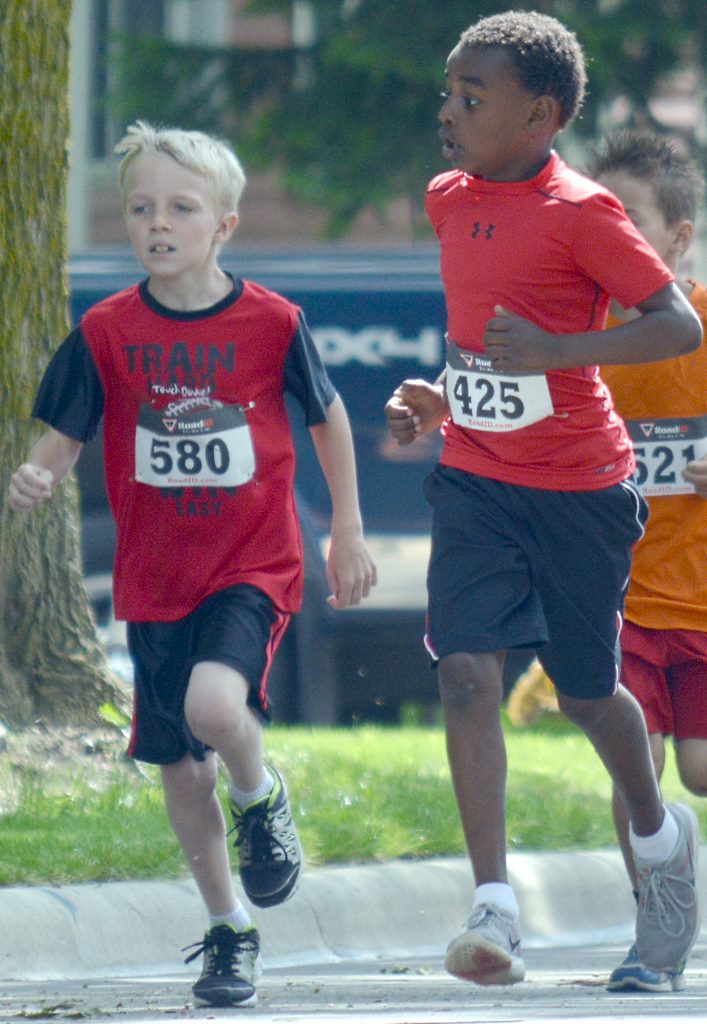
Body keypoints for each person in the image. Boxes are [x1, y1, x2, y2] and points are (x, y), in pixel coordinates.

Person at [8, 121, 377, 1008]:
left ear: (224, 225)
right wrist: (36, 474)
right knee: (178, 770)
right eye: (141, 209)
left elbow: (327, 421)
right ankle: (228, 929)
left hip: (251, 560)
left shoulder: (271, 322)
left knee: (217, 708)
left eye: (180, 207)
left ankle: (261, 792)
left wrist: (348, 532)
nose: (157, 223)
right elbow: (65, 433)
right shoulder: (106, 330)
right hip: (155, 577)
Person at [384, 10, 703, 988]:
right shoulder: (445, 199)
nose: (447, 111)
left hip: (581, 488)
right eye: (448, 91)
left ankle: (656, 832)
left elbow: (674, 324)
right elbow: (482, 342)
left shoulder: (585, 214)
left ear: (540, 115)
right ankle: (492, 905)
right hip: (477, 477)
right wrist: (440, 398)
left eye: (470, 98)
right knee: (465, 677)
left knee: (580, 691)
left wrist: (564, 353)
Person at [587, 130, 707, 993]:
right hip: (616, 601)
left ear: (678, 239)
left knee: (698, 771)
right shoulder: (577, 334)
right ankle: (653, 938)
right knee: (640, 773)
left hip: (701, 602)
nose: (607, 235)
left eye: (626, 219)